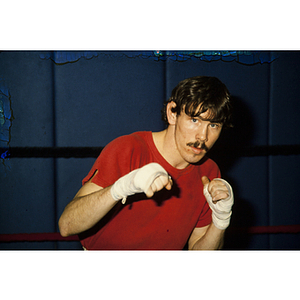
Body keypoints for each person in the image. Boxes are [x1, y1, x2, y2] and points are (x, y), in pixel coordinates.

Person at [58, 76, 234, 250]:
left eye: (213, 125)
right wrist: (120, 188)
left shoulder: (209, 172)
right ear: (172, 113)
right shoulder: (128, 149)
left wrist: (221, 219)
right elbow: (66, 225)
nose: (202, 137)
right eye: (195, 120)